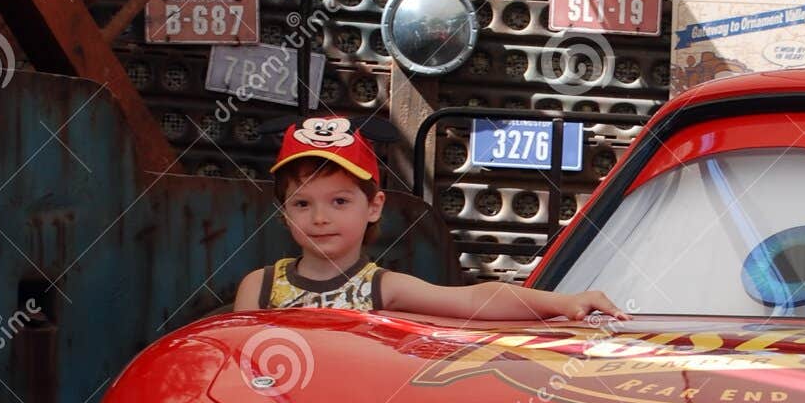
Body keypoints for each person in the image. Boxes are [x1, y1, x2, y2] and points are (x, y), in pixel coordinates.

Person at [234, 116, 625, 321]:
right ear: (284, 213)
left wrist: (564, 302)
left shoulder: (381, 288)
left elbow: (475, 299)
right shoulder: (261, 287)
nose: (320, 218)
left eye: (339, 201)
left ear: (374, 206)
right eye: (302, 204)